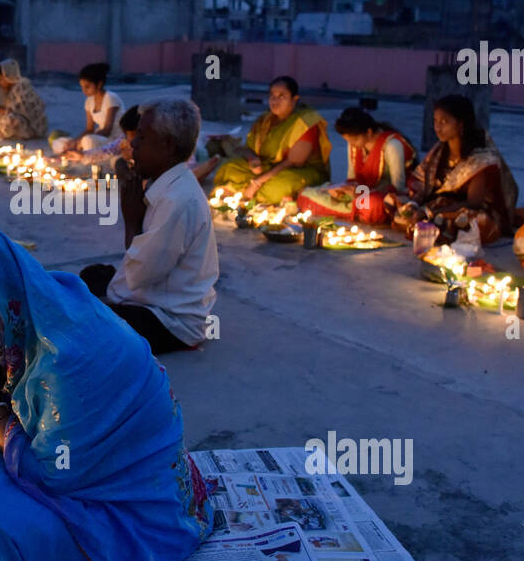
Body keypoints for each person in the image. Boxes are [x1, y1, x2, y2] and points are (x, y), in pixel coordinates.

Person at [0, 226, 212, 561]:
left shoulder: (68, 366)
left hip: (119, 497)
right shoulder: (36, 299)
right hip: (55, 442)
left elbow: (51, 477)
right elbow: (12, 392)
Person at [79, 100, 218, 354]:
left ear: (167, 145)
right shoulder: (164, 181)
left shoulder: (177, 200)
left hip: (171, 321)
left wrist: (131, 221)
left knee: (83, 324)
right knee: (90, 277)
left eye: (141, 138)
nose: (132, 145)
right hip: (154, 291)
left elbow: (142, 274)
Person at [388, 94, 518, 245]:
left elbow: (473, 203)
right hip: (440, 206)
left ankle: (429, 225)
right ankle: (425, 223)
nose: (437, 127)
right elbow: (421, 184)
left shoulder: (482, 159)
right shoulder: (440, 149)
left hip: (470, 212)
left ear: (460, 124)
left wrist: (429, 213)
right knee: (392, 202)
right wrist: (413, 206)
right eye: (435, 121)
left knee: (467, 222)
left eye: (444, 122)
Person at [210, 76, 330, 204]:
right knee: (229, 168)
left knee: (276, 188)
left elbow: (293, 162)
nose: (275, 101)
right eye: (272, 96)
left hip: (299, 172)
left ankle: (246, 192)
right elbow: (248, 149)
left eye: (281, 96)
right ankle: (248, 192)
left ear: (294, 99)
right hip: (268, 168)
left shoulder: (306, 121)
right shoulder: (265, 120)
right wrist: (253, 159)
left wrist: (258, 182)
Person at [297, 107, 416, 223]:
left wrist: (359, 193)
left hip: (384, 197)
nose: (351, 144)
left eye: (354, 140)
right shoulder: (355, 146)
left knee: (372, 206)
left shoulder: (392, 146)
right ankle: (354, 210)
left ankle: (354, 209)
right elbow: (352, 180)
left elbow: (398, 189)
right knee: (306, 194)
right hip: (361, 194)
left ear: (369, 132)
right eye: (348, 141)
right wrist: (342, 190)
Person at [51, 62, 124, 154]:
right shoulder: (89, 101)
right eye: (82, 87)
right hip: (98, 137)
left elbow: (107, 130)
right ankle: (78, 149)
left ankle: (80, 150)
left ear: (99, 84)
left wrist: (80, 141)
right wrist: (75, 140)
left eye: (87, 87)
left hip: (113, 139)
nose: (84, 90)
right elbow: (89, 129)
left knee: (88, 141)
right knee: (58, 142)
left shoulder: (111, 98)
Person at [0, 58, 49, 140]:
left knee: (10, 122)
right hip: (7, 115)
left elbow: (22, 114)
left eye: (1, 79)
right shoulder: (0, 88)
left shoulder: (22, 88)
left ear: (9, 76)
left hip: (28, 124)